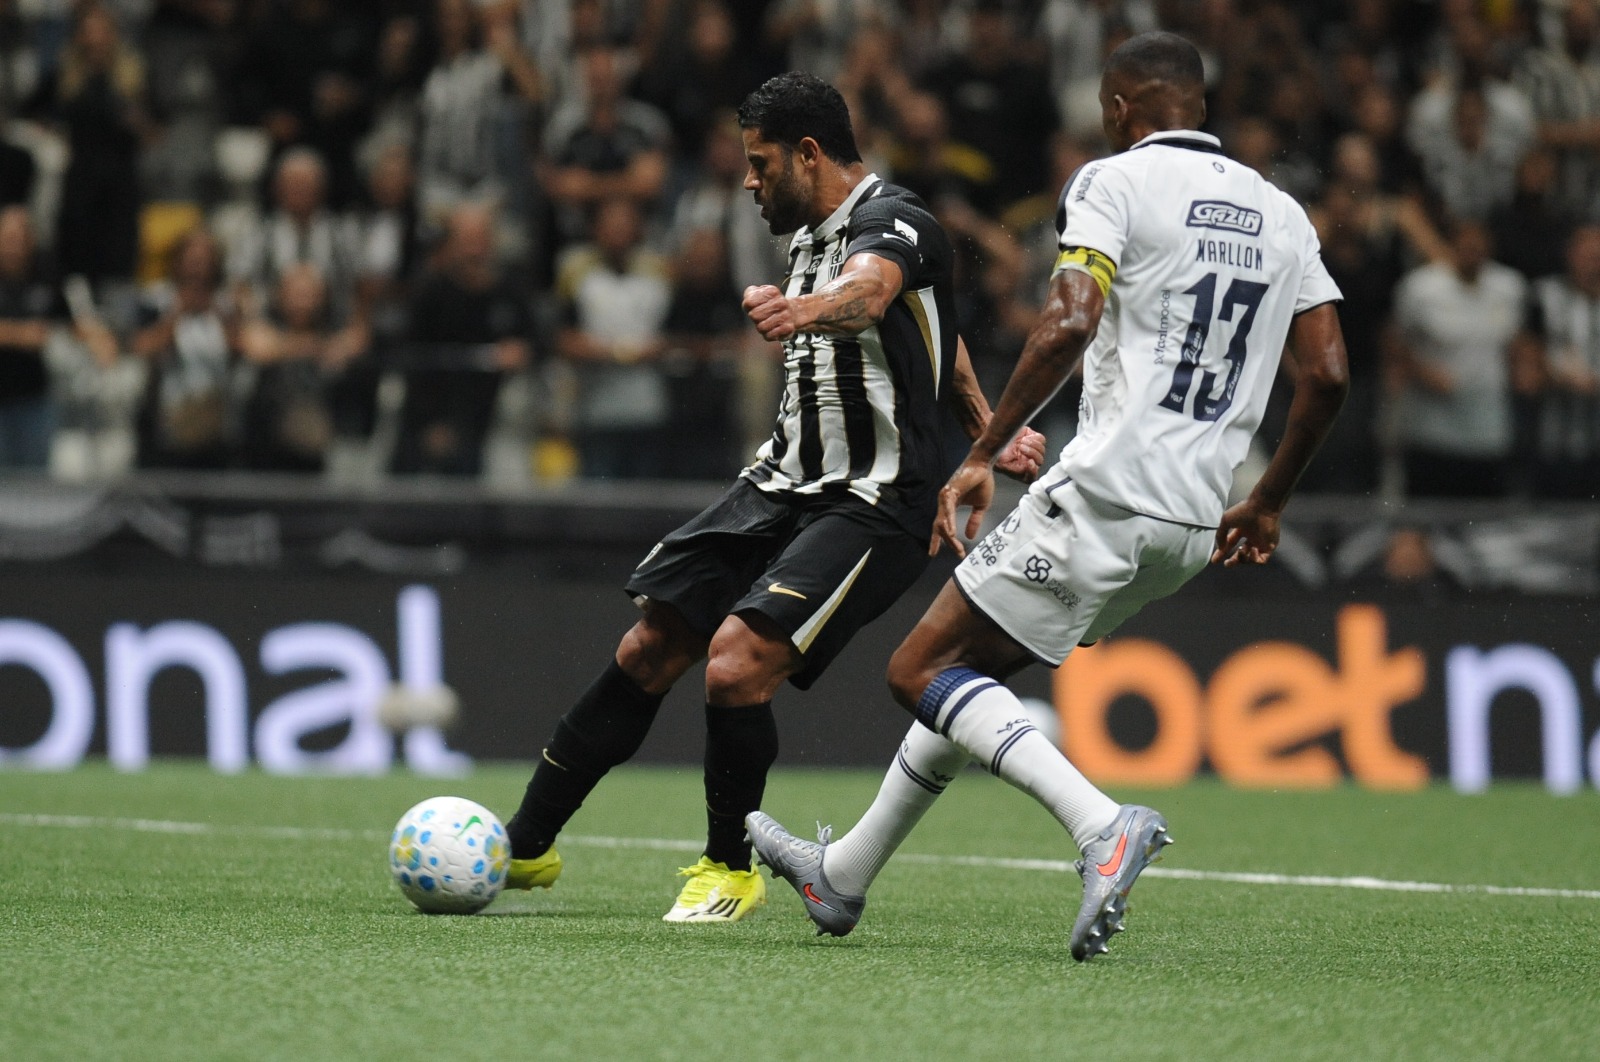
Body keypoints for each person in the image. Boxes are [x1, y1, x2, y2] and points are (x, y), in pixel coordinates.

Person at [745, 32, 1350, 962]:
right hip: (1194, 521)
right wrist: (1266, 500)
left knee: (918, 671)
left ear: (1117, 110)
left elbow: (1071, 318)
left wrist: (983, 449)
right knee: (964, 678)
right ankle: (845, 875)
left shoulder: (1113, 183)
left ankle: (1101, 828)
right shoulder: (1284, 214)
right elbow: (1329, 375)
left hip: (1107, 490)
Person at [499, 73, 1045, 923]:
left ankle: (728, 870)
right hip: (780, 482)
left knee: (736, 660)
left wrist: (802, 311)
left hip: (873, 501)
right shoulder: (810, 236)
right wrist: (991, 429)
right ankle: (523, 846)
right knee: (651, 645)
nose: (748, 183)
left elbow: (873, 295)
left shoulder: (893, 222)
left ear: (809, 154)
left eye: (759, 165)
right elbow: (941, 335)